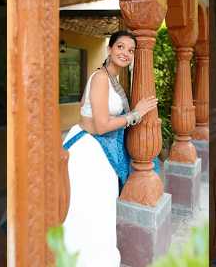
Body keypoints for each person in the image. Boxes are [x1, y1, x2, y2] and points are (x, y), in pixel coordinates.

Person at [62, 31, 159, 267]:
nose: (125, 53)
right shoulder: (101, 79)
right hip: (89, 150)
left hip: (100, 152)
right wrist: (136, 114)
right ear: (109, 49)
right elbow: (102, 125)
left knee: (100, 212)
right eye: (120, 47)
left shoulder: (113, 79)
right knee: (87, 212)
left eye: (130, 50)